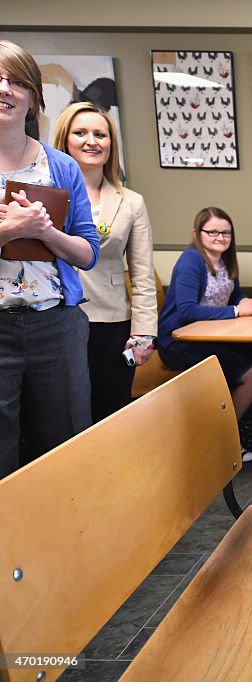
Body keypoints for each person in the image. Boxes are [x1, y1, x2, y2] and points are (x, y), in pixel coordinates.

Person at [0, 40, 99, 478]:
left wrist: (44, 231)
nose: (5, 89)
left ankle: (67, 541)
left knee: (68, 445)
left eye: (17, 82)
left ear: (33, 98)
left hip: (56, 326)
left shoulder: (61, 166)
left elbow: (87, 252)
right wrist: (9, 231)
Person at [53, 101, 158, 422]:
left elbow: (142, 276)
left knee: (110, 414)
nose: (92, 141)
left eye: (101, 134)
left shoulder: (131, 203)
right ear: (64, 139)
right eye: (81, 132)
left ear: (112, 144)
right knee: (59, 418)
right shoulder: (43, 193)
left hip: (111, 326)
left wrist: (143, 334)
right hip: (54, 320)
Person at [157, 207, 252, 454]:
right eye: (213, 232)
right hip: (180, 342)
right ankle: (221, 440)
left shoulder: (226, 259)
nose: (220, 238)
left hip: (213, 336)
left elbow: (234, 294)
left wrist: (247, 303)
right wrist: (237, 311)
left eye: (226, 233)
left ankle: (247, 432)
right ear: (197, 234)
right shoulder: (191, 261)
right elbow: (186, 310)